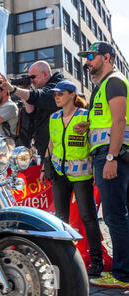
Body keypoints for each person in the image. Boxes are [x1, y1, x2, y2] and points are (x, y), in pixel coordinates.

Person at [74, 42, 129, 288]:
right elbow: (108, 120)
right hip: (112, 153)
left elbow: (119, 121)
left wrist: (111, 158)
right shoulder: (104, 86)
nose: (87, 62)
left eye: (91, 57)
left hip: (112, 155)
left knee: (115, 216)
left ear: (106, 57)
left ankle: (122, 275)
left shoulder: (113, 82)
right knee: (120, 215)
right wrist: (88, 126)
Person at [40, 80, 103, 277]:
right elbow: (51, 142)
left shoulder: (86, 116)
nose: (56, 96)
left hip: (82, 173)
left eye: (60, 93)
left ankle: (96, 261)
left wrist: (96, 170)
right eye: (54, 94)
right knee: (60, 219)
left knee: (88, 218)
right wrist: (45, 166)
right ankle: (63, 260)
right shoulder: (54, 117)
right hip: (59, 173)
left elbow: (95, 141)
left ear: (72, 95)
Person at [0, 61, 64, 159]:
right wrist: (26, 90)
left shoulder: (59, 85)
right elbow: (31, 114)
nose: (31, 81)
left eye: (33, 77)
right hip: (45, 147)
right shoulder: (40, 90)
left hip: (60, 147)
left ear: (45, 74)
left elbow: (40, 96)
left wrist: (13, 89)